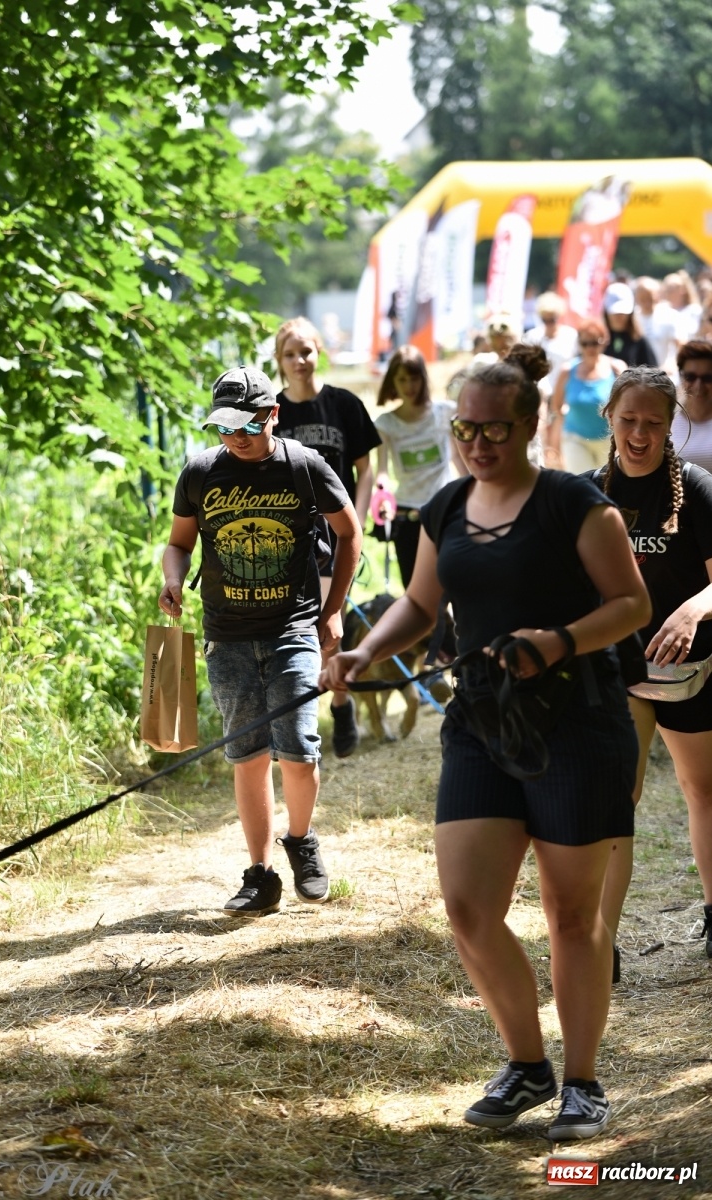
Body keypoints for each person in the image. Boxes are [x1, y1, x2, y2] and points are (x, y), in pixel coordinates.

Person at [321, 345, 650, 1141]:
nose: (476, 443)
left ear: (528, 426)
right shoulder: (445, 507)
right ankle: (525, 1064)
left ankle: (580, 1079)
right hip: (480, 723)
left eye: (493, 430)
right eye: (465, 427)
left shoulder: (577, 504)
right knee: (469, 910)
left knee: (572, 917)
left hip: (576, 720)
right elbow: (420, 602)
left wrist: (558, 641)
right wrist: (370, 651)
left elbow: (630, 603)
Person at [159, 366, 362, 917]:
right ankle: (260, 875)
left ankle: (301, 841)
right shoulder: (200, 472)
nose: (235, 438)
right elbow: (179, 543)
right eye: (225, 428)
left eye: (246, 427)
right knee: (247, 756)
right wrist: (173, 577)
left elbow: (350, 534)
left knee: (297, 749)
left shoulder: (303, 465)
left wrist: (334, 607)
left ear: (272, 415)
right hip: (226, 636)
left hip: (293, 628)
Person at [593, 366, 712, 964]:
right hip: (623, 671)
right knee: (619, 796)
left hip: (697, 668)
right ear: (608, 417)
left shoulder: (696, 489)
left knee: (702, 788)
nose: (639, 433)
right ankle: (600, 941)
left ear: (672, 426)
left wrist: (691, 611)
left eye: (653, 423)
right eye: (629, 419)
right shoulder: (588, 493)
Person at [274, 317, 382, 758]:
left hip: (337, 534)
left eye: (307, 351)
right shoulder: (272, 413)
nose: (300, 361)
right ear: (279, 362)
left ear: (320, 352)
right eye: (290, 354)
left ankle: (338, 705)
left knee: (327, 628)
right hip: (288, 538)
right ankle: (300, 719)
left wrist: (354, 516)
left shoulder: (345, 405)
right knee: (293, 629)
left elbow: (366, 467)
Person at [373, 345, 458, 588]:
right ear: (392, 381)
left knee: (452, 585)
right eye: (402, 379)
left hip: (446, 508)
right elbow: (383, 471)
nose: (409, 386)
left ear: (424, 378)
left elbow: (460, 459)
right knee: (413, 587)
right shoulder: (386, 424)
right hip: (408, 514)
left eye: (414, 378)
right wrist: (382, 496)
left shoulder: (446, 413)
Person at [547, 317, 625, 472]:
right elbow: (556, 406)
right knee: (581, 482)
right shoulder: (567, 371)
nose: (590, 348)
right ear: (579, 344)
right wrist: (554, 441)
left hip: (607, 441)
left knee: (604, 486)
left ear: (604, 341)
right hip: (575, 438)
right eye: (585, 343)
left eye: (595, 343)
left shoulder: (616, 369)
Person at [671, 340, 712, 473]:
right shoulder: (667, 418)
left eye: (707, 378)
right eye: (690, 377)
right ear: (681, 376)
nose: (698, 386)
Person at [602, 282, 658, 368]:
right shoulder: (598, 340)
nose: (619, 317)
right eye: (615, 313)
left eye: (623, 313)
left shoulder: (639, 340)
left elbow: (653, 373)